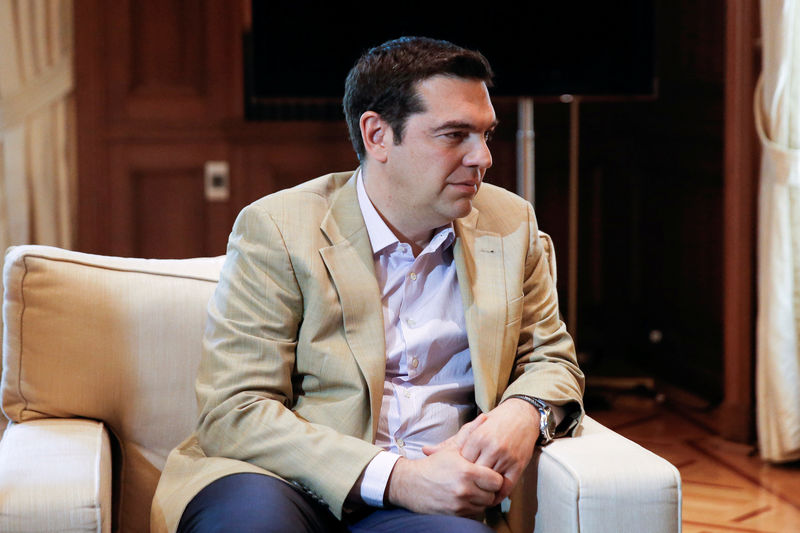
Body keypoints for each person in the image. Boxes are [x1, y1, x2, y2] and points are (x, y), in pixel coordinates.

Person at [151, 36, 584, 533]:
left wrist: (523, 412)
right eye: (454, 135)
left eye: (486, 134)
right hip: (280, 480)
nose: (482, 157)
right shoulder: (278, 227)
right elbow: (236, 408)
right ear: (378, 135)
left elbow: (551, 360)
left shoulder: (510, 225)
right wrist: (397, 477)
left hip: (432, 503)